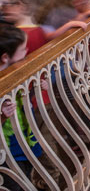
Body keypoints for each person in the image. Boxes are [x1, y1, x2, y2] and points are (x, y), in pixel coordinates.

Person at [0, 24, 44, 191]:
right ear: (5, 57)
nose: (27, 52)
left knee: (26, 180)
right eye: (23, 49)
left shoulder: (16, 72)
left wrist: (37, 86)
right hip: (8, 150)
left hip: (24, 141)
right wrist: (2, 116)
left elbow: (23, 101)